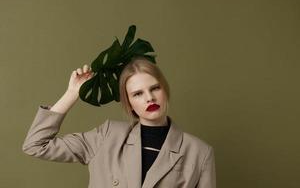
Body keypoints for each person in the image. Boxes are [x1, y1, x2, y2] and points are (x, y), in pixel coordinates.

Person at [22, 57, 216, 188]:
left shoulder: (199, 152)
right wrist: (72, 93)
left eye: (155, 88)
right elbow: (35, 145)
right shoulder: (107, 136)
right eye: (138, 93)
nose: (149, 98)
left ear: (165, 90)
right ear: (128, 102)